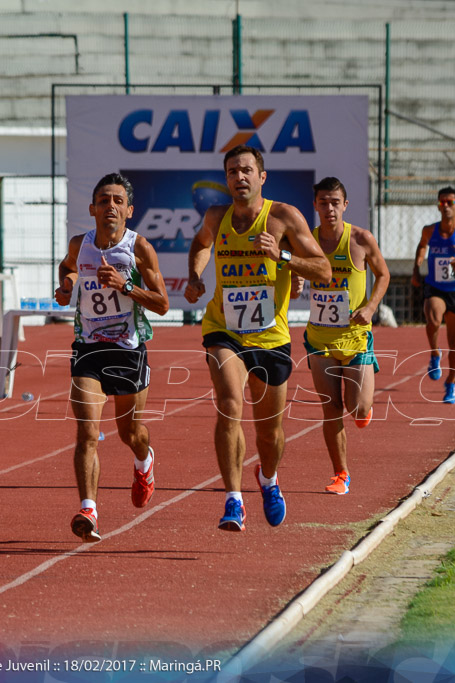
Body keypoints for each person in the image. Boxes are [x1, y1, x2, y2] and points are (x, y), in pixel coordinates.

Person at [184, 145, 331, 531]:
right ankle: (233, 499)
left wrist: (283, 257)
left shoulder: (283, 217)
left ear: (262, 177)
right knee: (229, 402)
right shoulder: (217, 216)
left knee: (270, 432)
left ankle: (267, 479)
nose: (240, 177)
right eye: (232, 171)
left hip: (270, 337)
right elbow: (200, 245)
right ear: (227, 179)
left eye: (247, 170)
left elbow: (324, 270)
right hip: (224, 329)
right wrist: (197, 276)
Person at [53, 173, 170, 543]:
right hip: (88, 347)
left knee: (129, 433)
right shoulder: (80, 244)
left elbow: (164, 304)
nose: (110, 207)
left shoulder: (139, 249)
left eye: (118, 201)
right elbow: (67, 266)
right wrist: (67, 285)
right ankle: (89, 509)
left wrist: (126, 286)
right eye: (104, 201)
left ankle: (144, 462)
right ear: (92, 209)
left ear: (129, 211)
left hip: (128, 349)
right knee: (87, 431)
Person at [293, 177, 390, 495]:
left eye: (335, 202)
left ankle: (365, 408)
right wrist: (296, 283)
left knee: (357, 409)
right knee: (330, 407)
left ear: (345, 205)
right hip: (319, 337)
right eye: (324, 202)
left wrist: (371, 307)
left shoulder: (361, 239)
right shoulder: (307, 241)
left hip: (355, 335)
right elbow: (295, 271)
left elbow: (383, 274)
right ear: (315, 205)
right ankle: (340, 474)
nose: (329, 208)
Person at [410, 187, 455, 405]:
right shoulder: (429, 230)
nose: (446, 206)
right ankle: (434, 353)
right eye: (442, 202)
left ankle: (451, 382)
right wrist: (416, 268)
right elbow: (421, 247)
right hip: (435, 287)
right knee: (432, 320)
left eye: (450, 202)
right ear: (438, 205)